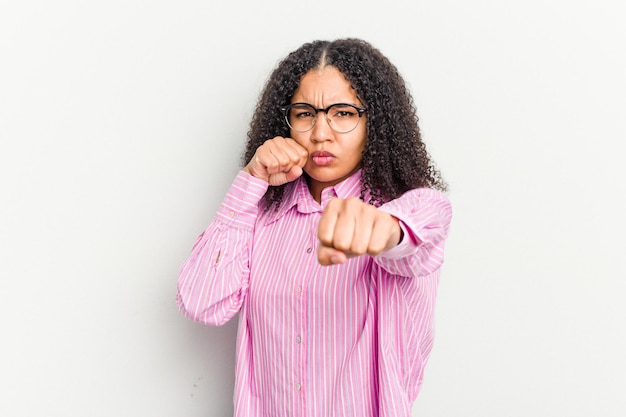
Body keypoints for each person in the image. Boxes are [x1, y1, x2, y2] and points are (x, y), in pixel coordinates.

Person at [177, 38, 452, 417]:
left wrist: (381, 228)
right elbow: (202, 303)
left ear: (376, 122)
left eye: (342, 113)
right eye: (305, 113)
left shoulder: (409, 207)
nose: (321, 132)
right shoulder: (261, 218)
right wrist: (250, 181)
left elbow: (411, 231)